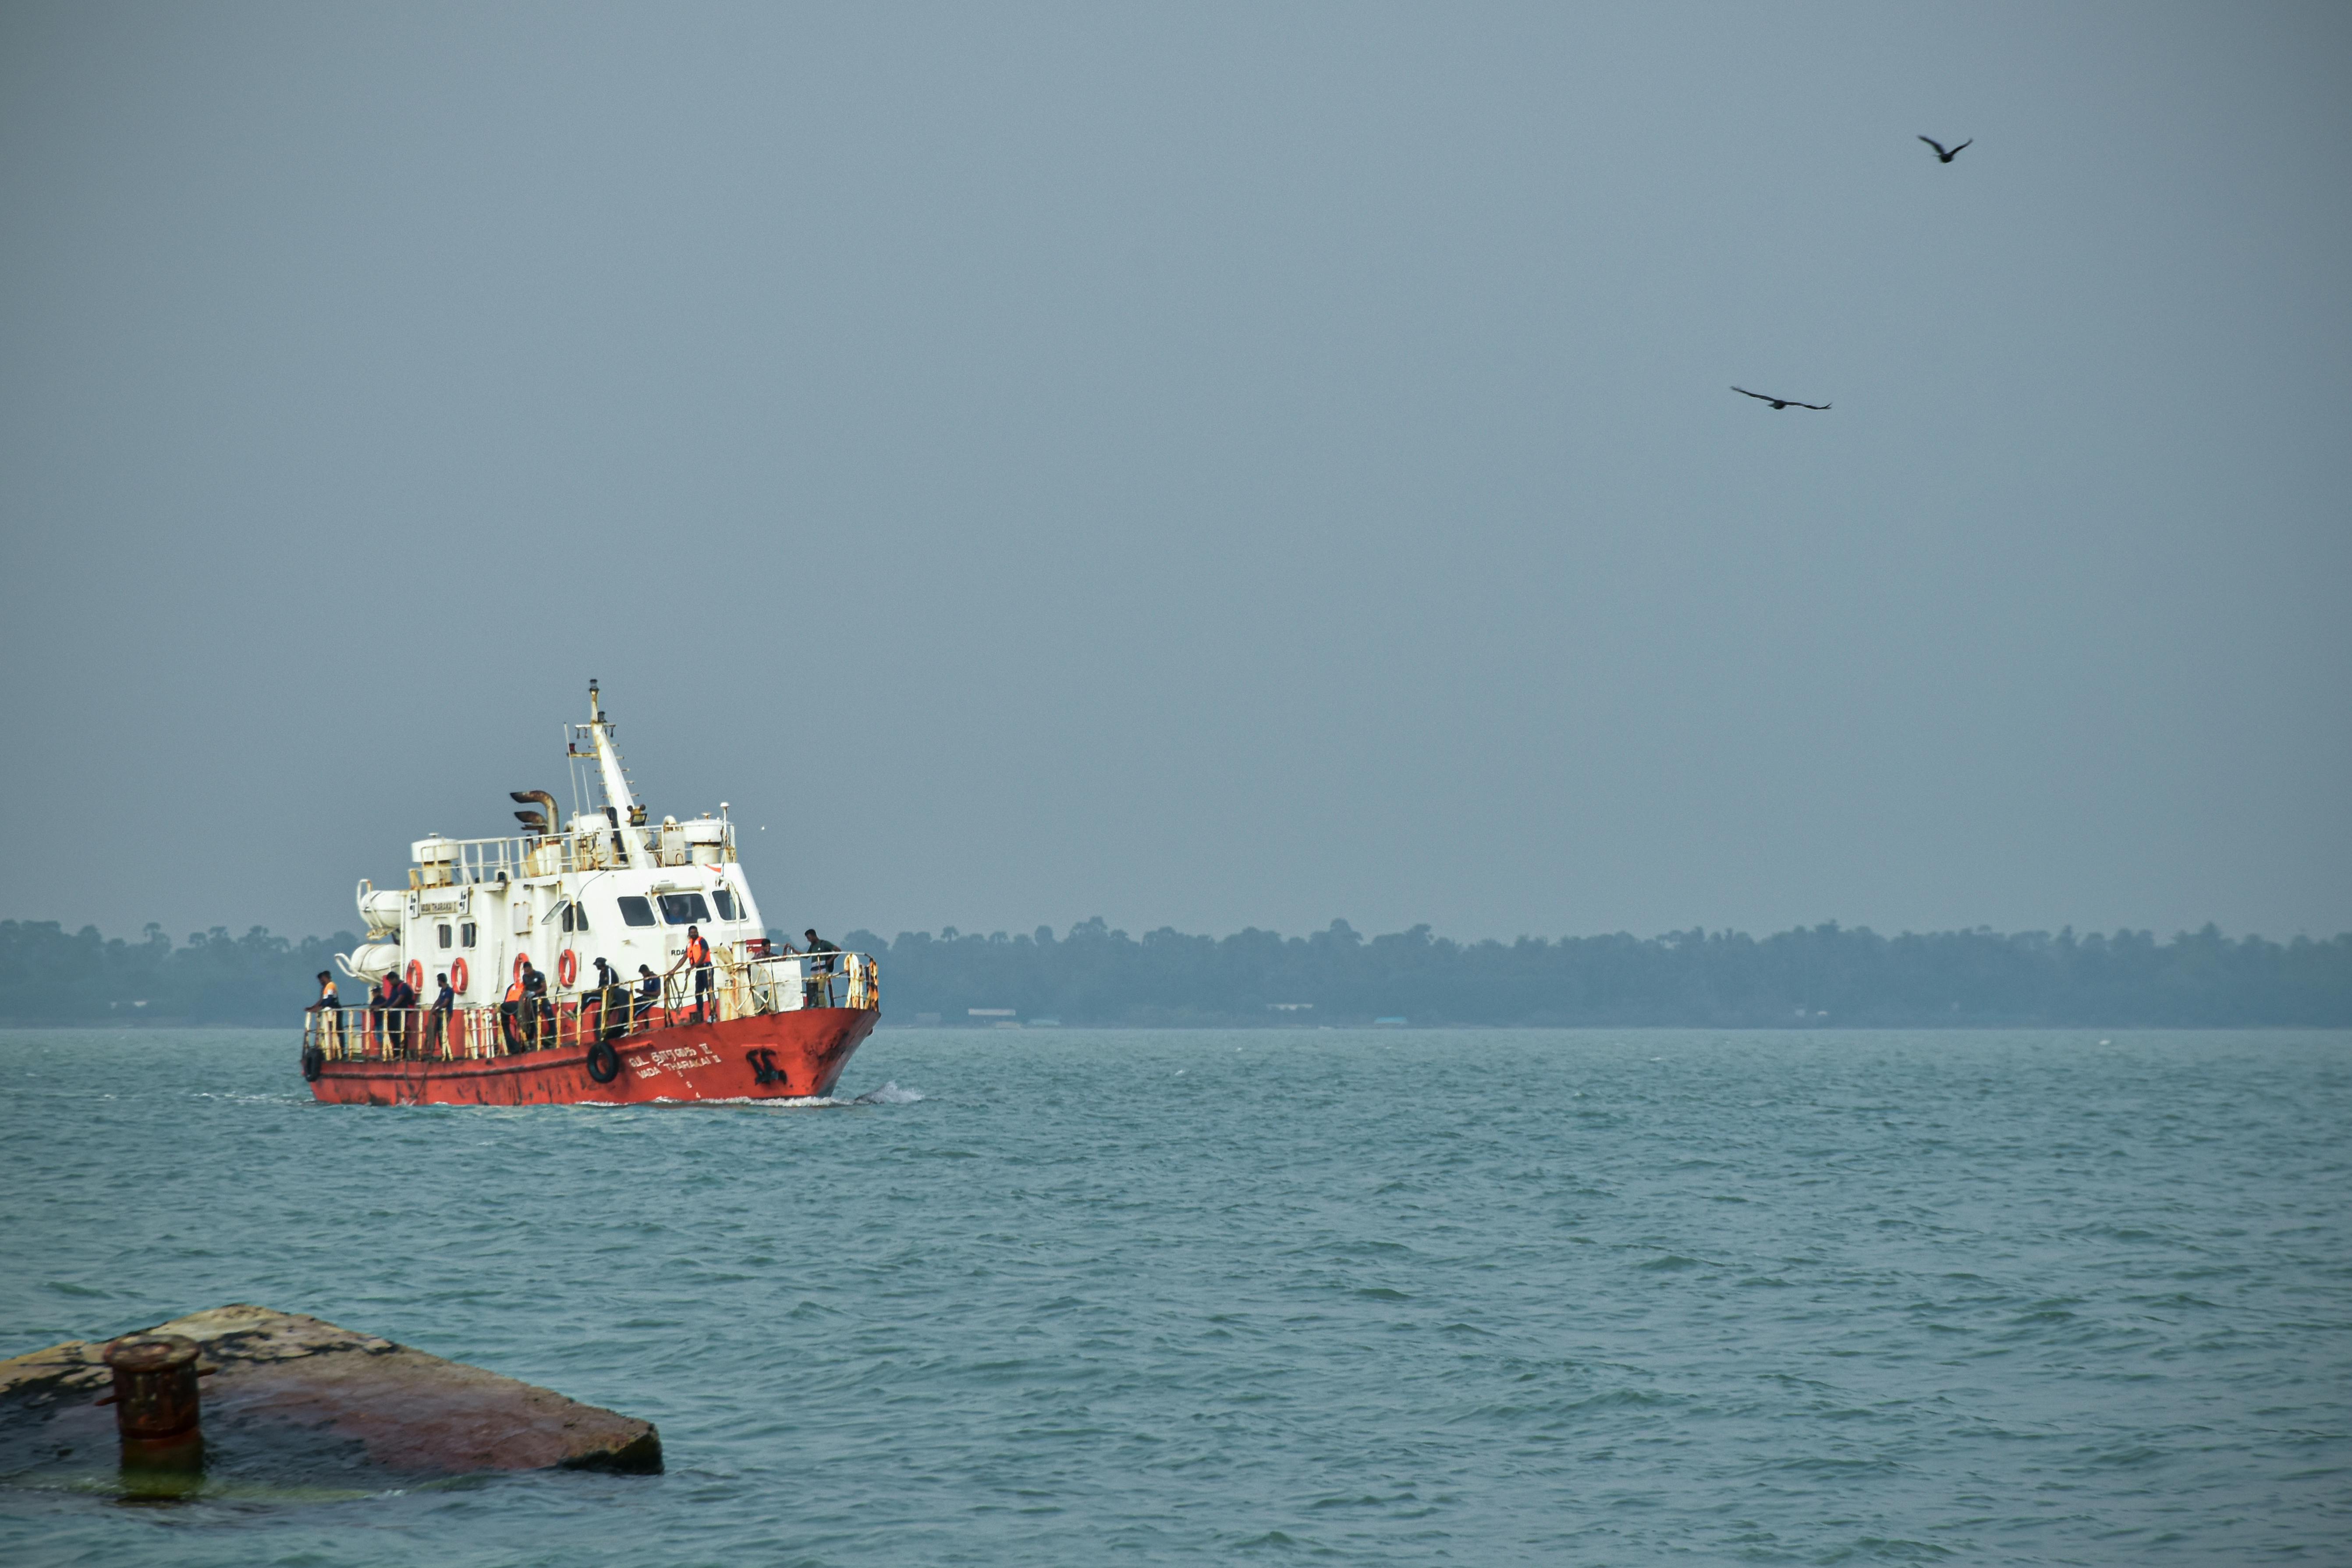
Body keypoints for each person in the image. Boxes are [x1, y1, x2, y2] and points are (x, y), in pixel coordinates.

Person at [666, 925, 716, 1023]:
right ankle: (700, 1014)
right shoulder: (689, 945)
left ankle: (713, 1014)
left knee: (710, 991)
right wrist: (674, 971)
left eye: (695, 932)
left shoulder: (702, 941)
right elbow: (684, 958)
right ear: (689, 934)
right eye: (692, 933)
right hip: (699, 970)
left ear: (697, 932)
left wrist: (692, 968)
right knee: (698, 993)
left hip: (707, 968)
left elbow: (703, 955)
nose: (694, 934)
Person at [306, 971, 344, 1055]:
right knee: (331, 1031)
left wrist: (320, 1008)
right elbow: (322, 1000)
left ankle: (339, 1050)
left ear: (325, 978)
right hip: (330, 1012)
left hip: (335, 1011)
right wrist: (313, 1008)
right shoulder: (325, 988)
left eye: (321, 980)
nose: (321, 982)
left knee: (337, 1030)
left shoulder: (331, 986)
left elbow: (330, 1000)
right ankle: (332, 1049)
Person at [803, 928, 840, 1009]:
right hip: (814, 971)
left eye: (809, 938)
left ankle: (823, 1007)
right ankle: (819, 1005)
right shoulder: (812, 946)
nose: (809, 940)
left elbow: (838, 950)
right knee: (813, 990)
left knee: (820, 991)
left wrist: (830, 960)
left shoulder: (824, 944)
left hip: (823, 970)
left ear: (813, 936)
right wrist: (795, 951)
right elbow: (806, 956)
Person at [427, 972, 455, 1058]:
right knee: (438, 1032)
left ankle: (446, 1053)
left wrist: (437, 1009)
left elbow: (446, 1002)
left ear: (440, 981)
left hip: (446, 1014)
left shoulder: (449, 991)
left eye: (438, 981)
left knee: (442, 1033)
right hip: (440, 1014)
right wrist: (433, 1009)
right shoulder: (442, 990)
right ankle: (444, 1052)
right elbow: (439, 1000)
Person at [501, 966, 528, 1054]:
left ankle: (526, 1045)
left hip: (520, 1009)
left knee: (523, 1025)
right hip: (510, 1010)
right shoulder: (511, 987)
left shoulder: (527, 987)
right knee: (504, 1022)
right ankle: (513, 1046)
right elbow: (506, 1000)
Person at [635, 963, 662, 1029]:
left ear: (646, 971)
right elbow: (645, 991)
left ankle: (635, 1022)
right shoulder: (646, 979)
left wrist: (643, 992)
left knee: (638, 1009)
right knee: (633, 1002)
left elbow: (658, 993)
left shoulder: (655, 978)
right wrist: (640, 991)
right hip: (645, 998)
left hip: (652, 999)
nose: (643, 976)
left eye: (643, 974)